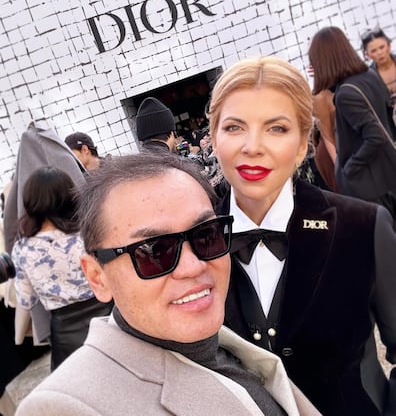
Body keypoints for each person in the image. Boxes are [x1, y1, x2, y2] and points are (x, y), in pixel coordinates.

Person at [15, 152, 320, 416]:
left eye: (206, 235)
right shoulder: (62, 407)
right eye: (153, 252)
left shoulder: (226, 339)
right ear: (97, 277)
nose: (192, 266)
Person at [209, 56, 396, 415]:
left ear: (301, 144)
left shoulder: (363, 225)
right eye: (234, 127)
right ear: (214, 138)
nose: (253, 146)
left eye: (276, 128)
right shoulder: (190, 243)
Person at [11, 166, 113, 371]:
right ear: (70, 196)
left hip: (66, 334)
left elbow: (26, 300)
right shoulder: (91, 233)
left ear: (30, 202)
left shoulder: (23, 249)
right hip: (111, 319)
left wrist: (18, 338)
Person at [308, 26, 396, 220]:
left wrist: (349, 168)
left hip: (370, 185)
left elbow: (375, 136)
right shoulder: (370, 76)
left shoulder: (345, 94)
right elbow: (388, 115)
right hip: (386, 175)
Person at [361, 26, 396, 124]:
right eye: (373, 51)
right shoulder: (368, 78)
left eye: (382, 47)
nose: (379, 53)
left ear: (388, 46)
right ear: (367, 55)